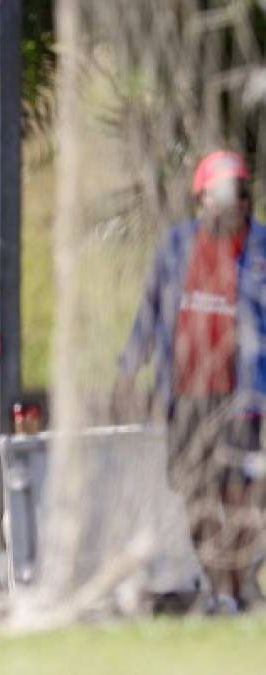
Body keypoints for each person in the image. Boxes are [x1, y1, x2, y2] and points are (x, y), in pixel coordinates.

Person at [115, 150, 266, 613]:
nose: (230, 203)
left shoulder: (262, 249)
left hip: (243, 393)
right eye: (220, 194)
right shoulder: (176, 246)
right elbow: (151, 311)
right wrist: (128, 368)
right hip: (186, 392)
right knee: (198, 495)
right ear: (201, 199)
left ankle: (237, 585)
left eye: (239, 193)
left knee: (240, 495)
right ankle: (223, 592)